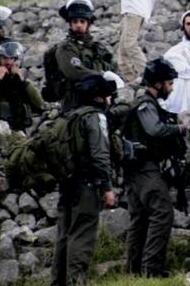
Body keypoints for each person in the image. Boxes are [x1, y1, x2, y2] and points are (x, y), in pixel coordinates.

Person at [122, 58, 186, 277]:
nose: (172, 87)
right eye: (169, 83)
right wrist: (179, 129)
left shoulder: (147, 103)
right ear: (158, 84)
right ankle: (152, 269)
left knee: (140, 218)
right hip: (144, 168)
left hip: (136, 169)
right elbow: (155, 130)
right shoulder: (146, 104)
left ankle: (133, 270)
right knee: (162, 213)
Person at [51, 74, 117, 286]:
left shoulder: (70, 116)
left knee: (64, 234)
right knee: (82, 234)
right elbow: (99, 155)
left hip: (67, 182)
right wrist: (107, 187)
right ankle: (76, 281)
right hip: (87, 184)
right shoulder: (96, 118)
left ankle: (58, 281)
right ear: (99, 98)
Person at [55, 0, 116, 113]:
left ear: (88, 23)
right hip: (75, 106)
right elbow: (74, 72)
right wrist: (102, 78)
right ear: (70, 23)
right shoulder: (65, 48)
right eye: (75, 21)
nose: (78, 25)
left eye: (82, 21)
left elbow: (112, 70)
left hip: (102, 105)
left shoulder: (98, 48)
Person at [0, 40, 44, 132]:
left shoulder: (21, 81)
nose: (8, 62)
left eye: (12, 59)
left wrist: (23, 82)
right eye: (4, 58)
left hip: (18, 129)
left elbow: (39, 103)